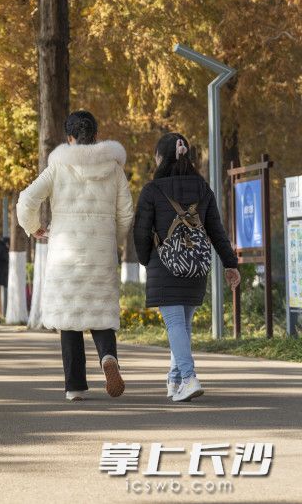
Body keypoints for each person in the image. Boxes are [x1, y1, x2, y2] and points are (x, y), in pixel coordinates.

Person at [17, 110, 134, 401]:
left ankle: (75, 386)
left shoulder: (57, 168)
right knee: (102, 314)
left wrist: (34, 228)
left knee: (69, 320)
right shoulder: (114, 168)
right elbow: (126, 213)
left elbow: (26, 200)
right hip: (101, 252)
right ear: (96, 135)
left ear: (70, 138)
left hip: (65, 255)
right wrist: (113, 240)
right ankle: (108, 357)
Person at [133, 133, 240, 402]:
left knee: (175, 324)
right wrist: (230, 263)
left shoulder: (152, 190)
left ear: (161, 157)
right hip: (196, 266)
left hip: (165, 265)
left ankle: (190, 378)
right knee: (183, 325)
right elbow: (216, 230)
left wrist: (147, 260)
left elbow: (141, 232)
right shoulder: (202, 188)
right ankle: (175, 380)